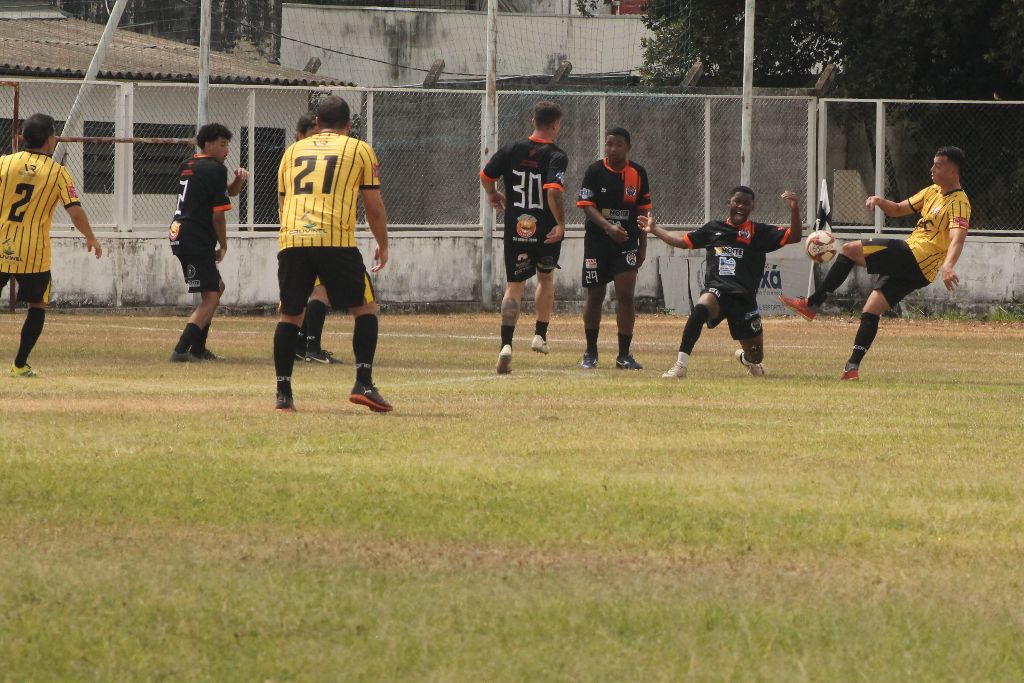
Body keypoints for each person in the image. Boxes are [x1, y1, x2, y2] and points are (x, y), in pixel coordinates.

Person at [780, 147, 969, 380]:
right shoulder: (933, 191)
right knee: (872, 309)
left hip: (915, 255)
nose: (932, 169)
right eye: (933, 164)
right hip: (919, 271)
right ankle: (852, 367)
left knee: (848, 250)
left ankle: (812, 304)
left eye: (938, 166)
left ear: (953, 171)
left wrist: (948, 266)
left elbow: (957, 238)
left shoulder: (959, 203)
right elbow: (899, 209)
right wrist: (880, 201)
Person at [273, 95, 391, 413]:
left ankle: (283, 394)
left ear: (317, 123)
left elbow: (283, 201)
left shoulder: (292, 151)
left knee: (290, 316)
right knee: (365, 308)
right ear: (349, 124)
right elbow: (373, 206)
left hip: (293, 239)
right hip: (334, 238)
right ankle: (363, 383)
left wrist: (293, 234)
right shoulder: (358, 149)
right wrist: (383, 243)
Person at [640, 187, 802, 378]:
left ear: (752, 207)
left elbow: (794, 236)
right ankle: (680, 365)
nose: (741, 206)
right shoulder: (713, 229)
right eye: (737, 201)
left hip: (744, 299)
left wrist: (794, 210)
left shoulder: (759, 232)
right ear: (729, 203)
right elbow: (683, 242)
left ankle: (746, 359)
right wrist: (655, 229)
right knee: (701, 307)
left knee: (756, 356)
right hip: (717, 291)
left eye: (746, 203)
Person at [0, 113, 103, 376]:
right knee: (36, 305)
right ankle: (19, 365)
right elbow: (75, 211)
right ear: (50, 139)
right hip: (33, 252)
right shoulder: (58, 173)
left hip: (1, 243)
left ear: (23, 137)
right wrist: (90, 237)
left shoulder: (4, 162)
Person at [480, 101, 568, 374]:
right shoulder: (556, 156)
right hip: (546, 230)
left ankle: (506, 344)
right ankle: (540, 335)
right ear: (556, 126)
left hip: (517, 228)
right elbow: (553, 191)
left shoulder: (511, 149)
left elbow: (486, 175)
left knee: (514, 286)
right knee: (545, 278)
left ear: (533, 122)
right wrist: (561, 223)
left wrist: (492, 193)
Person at [168, 122, 249, 362]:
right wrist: (223, 245)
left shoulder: (189, 164)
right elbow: (218, 215)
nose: (226, 150)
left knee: (217, 287)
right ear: (208, 144)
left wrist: (238, 180)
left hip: (179, 232)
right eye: (222, 144)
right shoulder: (215, 169)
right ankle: (181, 350)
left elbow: (226, 192)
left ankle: (198, 349)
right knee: (211, 296)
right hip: (196, 236)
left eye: (227, 145)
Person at [576, 127, 652, 370]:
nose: (613, 149)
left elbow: (643, 212)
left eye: (618, 144)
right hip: (597, 242)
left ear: (628, 147)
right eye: (609, 144)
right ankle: (590, 351)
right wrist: (608, 228)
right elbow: (587, 205)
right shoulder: (595, 170)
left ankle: (624, 355)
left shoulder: (637, 173)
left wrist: (642, 246)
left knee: (626, 296)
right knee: (595, 295)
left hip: (626, 243)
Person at [292, 112, 340, 365]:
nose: (318, 140)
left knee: (307, 291)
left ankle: (301, 346)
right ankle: (312, 348)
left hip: (296, 232)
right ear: (299, 136)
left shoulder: (292, 158)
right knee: (320, 290)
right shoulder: (310, 160)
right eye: (313, 135)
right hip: (314, 231)